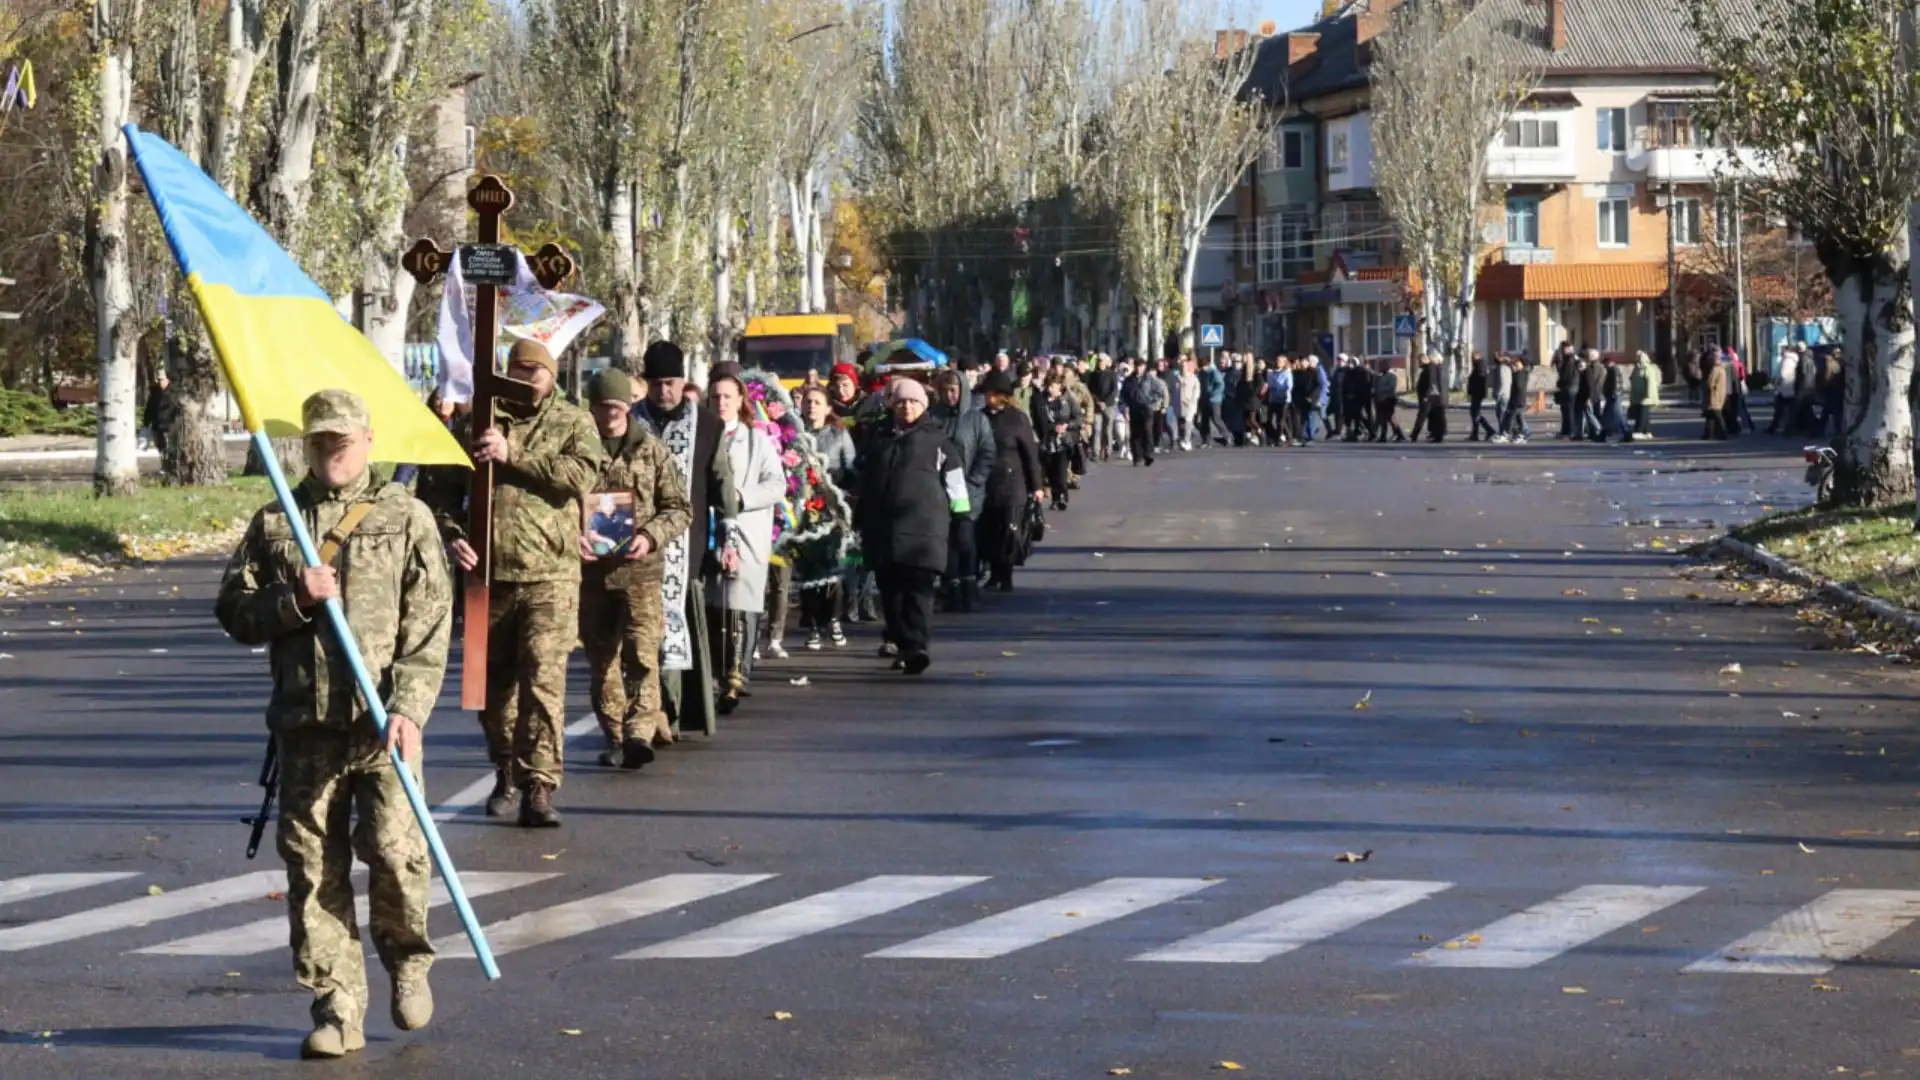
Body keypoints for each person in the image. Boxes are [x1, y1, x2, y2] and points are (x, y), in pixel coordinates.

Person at [215, 389, 451, 1060]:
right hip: (306, 728)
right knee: (313, 871)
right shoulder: (274, 523)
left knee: (396, 855)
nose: (332, 451)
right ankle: (337, 1005)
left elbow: (429, 620)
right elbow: (233, 611)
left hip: (381, 727)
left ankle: (408, 961)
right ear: (307, 446)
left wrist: (408, 706)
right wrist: (292, 600)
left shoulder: (407, 518)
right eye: (321, 441)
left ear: (369, 439)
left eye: (343, 439)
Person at [422, 338, 602, 828]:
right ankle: (503, 766)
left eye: (535, 371)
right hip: (488, 579)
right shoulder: (477, 419)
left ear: (552, 374)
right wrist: (452, 535)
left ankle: (539, 787)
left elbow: (582, 475)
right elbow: (436, 490)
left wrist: (512, 452)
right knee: (493, 691)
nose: (526, 378)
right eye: (518, 370)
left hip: (551, 576)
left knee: (543, 683)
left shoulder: (573, 421)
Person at [577, 368, 692, 771]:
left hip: (641, 572)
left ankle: (639, 733)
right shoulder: (577, 448)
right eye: (602, 407)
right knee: (602, 660)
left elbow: (679, 508)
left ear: (627, 406)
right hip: (591, 574)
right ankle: (614, 734)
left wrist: (650, 535)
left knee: (643, 655)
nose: (610, 415)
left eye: (617, 407)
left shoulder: (651, 450)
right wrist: (571, 534)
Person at [630, 341, 737, 744]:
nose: (663, 392)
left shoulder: (708, 426)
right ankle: (641, 716)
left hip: (684, 551)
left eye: (670, 383)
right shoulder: (629, 423)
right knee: (638, 638)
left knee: (675, 634)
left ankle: (670, 715)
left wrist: (729, 538)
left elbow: (722, 484)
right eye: (655, 384)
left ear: (682, 382)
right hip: (634, 549)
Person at [857, 379, 968, 674]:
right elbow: (865, 482)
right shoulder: (879, 439)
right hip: (884, 531)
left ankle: (917, 646)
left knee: (918, 593)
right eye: (902, 402)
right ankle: (903, 642)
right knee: (891, 595)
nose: (907, 407)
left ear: (923, 406)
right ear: (893, 406)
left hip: (924, 531)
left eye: (913, 402)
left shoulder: (939, 442)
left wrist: (962, 521)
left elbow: (956, 485)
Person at [707, 368, 787, 713]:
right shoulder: (703, 437)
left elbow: (776, 484)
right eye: (716, 397)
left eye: (728, 396)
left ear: (741, 400)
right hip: (708, 532)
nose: (721, 402)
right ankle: (715, 674)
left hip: (747, 531)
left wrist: (740, 497)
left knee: (741, 602)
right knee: (712, 603)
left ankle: (738, 675)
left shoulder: (756, 440)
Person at [930, 368, 996, 612]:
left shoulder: (976, 419)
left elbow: (987, 452)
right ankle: (950, 587)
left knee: (965, 539)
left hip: (968, 490)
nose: (950, 396)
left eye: (954, 390)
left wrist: (975, 480)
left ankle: (969, 586)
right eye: (945, 391)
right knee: (945, 541)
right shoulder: (933, 417)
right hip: (939, 490)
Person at [797, 385, 854, 650]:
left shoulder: (839, 435)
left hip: (832, 509)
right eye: (808, 402)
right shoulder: (794, 436)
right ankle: (813, 626)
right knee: (809, 572)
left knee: (834, 569)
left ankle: (833, 619)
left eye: (817, 402)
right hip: (804, 512)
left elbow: (851, 468)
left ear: (828, 408)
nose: (812, 407)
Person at [979, 370, 1045, 591]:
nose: (986, 398)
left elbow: (1030, 453)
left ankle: (1005, 573)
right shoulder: (981, 417)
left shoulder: (1017, 418)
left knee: (1009, 529)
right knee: (989, 529)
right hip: (986, 481)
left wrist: (1037, 486)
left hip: (1012, 482)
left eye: (990, 394)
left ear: (1000, 395)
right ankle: (994, 572)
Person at [1127, 356, 1167, 466]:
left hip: (1147, 408)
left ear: (1144, 367)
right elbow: (1124, 393)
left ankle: (1148, 454)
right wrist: (1127, 403)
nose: (1139, 368)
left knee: (1147, 430)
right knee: (1135, 433)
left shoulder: (1149, 379)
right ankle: (1137, 456)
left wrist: (1151, 401)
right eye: (1137, 366)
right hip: (1134, 408)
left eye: (1141, 366)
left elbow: (1159, 391)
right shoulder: (1130, 379)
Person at [1410, 354, 1446, 443]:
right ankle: (1438, 436)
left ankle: (1415, 434)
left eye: (1419, 361)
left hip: (1429, 397)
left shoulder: (1429, 368)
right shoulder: (1433, 368)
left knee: (1422, 416)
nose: (1419, 363)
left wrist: (1426, 395)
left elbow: (1430, 382)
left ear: (1423, 360)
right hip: (1435, 397)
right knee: (1436, 417)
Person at [143, 369, 178, 457]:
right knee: (160, 449)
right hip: (157, 426)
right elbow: (149, 408)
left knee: (172, 450)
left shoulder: (174, 392)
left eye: (162, 379)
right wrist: (146, 423)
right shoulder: (155, 392)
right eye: (158, 380)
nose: (159, 382)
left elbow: (177, 409)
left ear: (168, 380)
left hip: (170, 426)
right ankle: (164, 464)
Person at [1630, 350, 1661, 440]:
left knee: (1642, 413)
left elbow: (1650, 383)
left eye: (1639, 358)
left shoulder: (1647, 368)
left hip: (1646, 395)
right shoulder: (1637, 368)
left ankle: (1639, 431)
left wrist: (1648, 395)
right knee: (1643, 413)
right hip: (1638, 395)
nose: (1637, 359)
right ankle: (1647, 431)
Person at [1372, 360, 1406, 442]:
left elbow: (1391, 388)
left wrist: (1379, 390)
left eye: (1381, 366)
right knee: (1382, 419)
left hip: (1388, 400)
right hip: (1379, 400)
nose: (1379, 368)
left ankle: (1397, 435)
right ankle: (1384, 436)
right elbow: (1374, 386)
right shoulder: (1378, 377)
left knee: (1389, 418)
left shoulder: (1392, 376)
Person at [1770, 345, 1800, 435]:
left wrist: (1777, 381)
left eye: (1782, 350)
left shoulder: (1787, 361)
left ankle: (1785, 428)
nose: (1781, 352)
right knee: (1782, 409)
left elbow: (1783, 374)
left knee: (1782, 409)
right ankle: (1775, 427)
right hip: (1790, 388)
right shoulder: (1794, 360)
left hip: (1785, 388)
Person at [1502, 356, 1532, 443]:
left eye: (1516, 365)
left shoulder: (1521, 374)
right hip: (1516, 399)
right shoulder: (1519, 373)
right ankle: (1521, 434)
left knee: (1515, 417)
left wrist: (1514, 372)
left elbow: (1519, 385)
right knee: (1518, 417)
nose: (1514, 367)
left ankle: (1518, 434)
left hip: (1519, 399)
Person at [1467, 354, 1496, 442]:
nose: (1471, 359)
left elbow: (1478, 382)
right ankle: (1475, 434)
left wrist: (1473, 391)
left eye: (1473, 357)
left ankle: (1489, 430)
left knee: (1475, 413)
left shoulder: (1480, 366)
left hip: (1477, 394)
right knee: (1474, 413)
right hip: (1476, 394)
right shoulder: (1478, 366)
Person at [1704, 350, 1731, 440]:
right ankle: (1709, 433)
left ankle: (1723, 433)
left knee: (1717, 415)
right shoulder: (1722, 368)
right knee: (1710, 415)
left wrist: (1708, 387)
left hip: (1715, 395)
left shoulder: (1716, 369)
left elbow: (1710, 382)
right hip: (1720, 394)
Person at [1555, 342, 1579, 439]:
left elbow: (1567, 376)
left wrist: (1560, 383)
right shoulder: (1569, 359)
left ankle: (1569, 431)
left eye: (1562, 349)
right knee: (1565, 410)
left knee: (1568, 411)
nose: (1560, 351)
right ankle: (1565, 431)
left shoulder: (1570, 360)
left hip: (1569, 388)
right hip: (1569, 388)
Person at [1178, 356, 1201, 451]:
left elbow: (1197, 391)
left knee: (1188, 422)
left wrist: (1192, 400)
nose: (1183, 368)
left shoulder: (1193, 378)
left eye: (1185, 366)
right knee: (1186, 424)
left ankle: (1187, 442)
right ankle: (1195, 435)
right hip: (1180, 404)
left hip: (1190, 404)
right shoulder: (1180, 377)